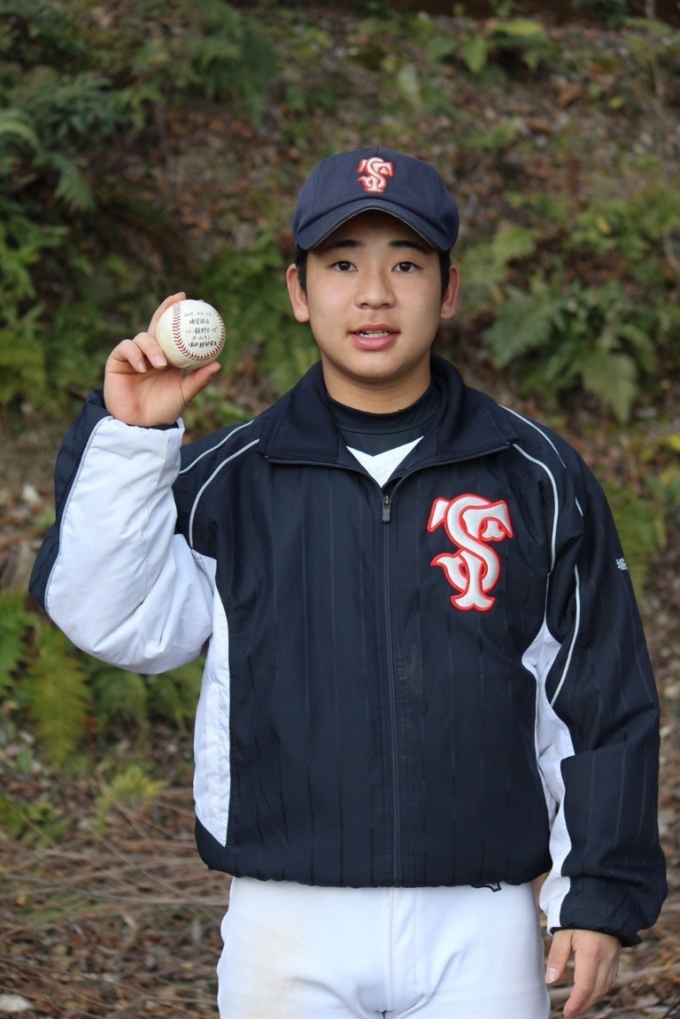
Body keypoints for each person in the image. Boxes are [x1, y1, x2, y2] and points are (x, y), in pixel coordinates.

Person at [29, 147, 666, 1019]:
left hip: (482, 923)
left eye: (405, 264)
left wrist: (596, 888)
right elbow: (112, 617)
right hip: (287, 922)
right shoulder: (231, 481)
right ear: (298, 291)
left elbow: (600, 697)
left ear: (447, 289)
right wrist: (134, 438)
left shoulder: (536, 476)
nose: (373, 294)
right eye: (341, 265)